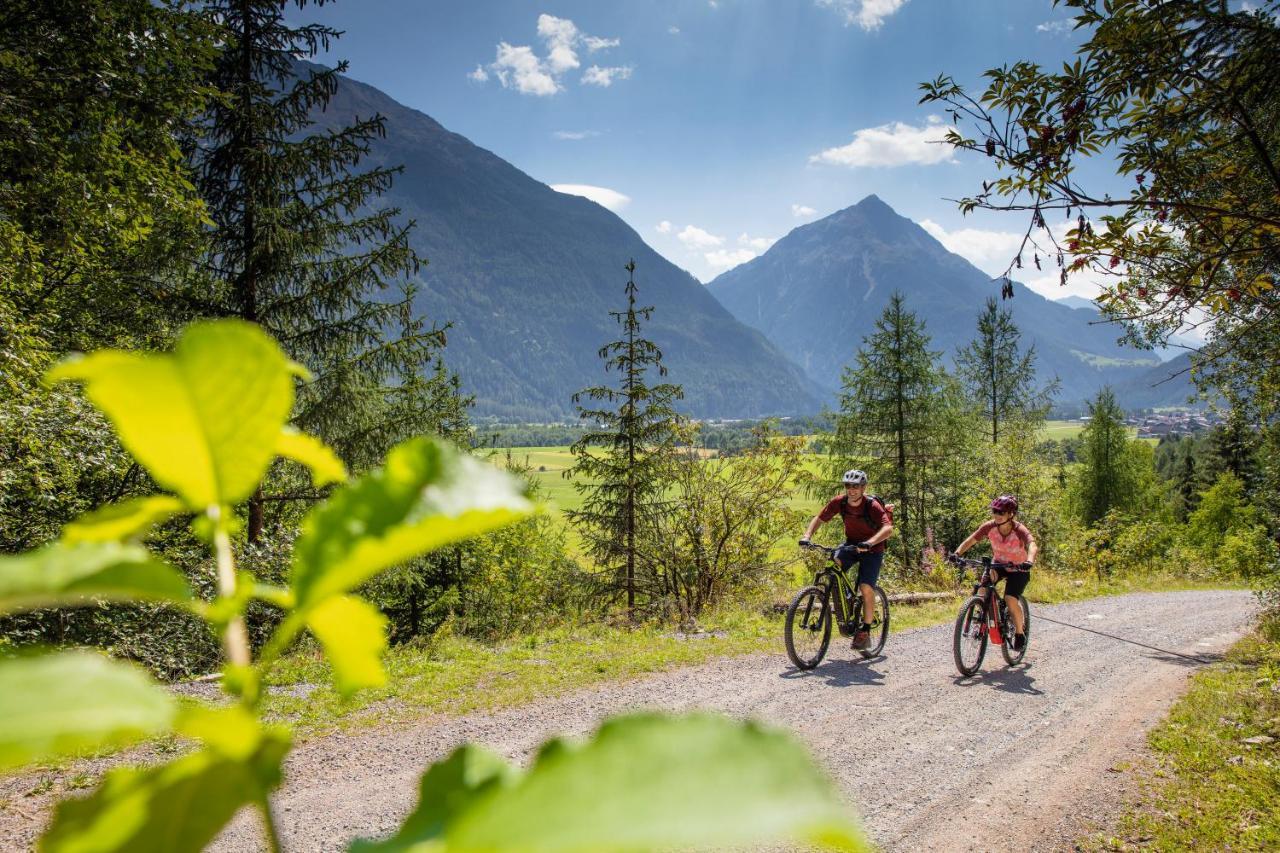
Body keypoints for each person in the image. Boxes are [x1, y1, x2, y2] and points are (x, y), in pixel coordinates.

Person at [799, 469, 894, 649]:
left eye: (856, 486)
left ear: (863, 487)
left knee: (866, 587)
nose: (852, 490)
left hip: (873, 548)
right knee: (833, 565)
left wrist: (869, 542)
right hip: (851, 545)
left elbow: (888, 529)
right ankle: (847, 599)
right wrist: (807, 536)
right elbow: (819, 518)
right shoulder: (840, 502)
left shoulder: (872, 506)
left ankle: (864, 631)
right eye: (848, 486)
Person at [951, 495, 1037, 651]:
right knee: (982, 590)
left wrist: (1029, 561)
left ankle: (1019, 633)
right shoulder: (989, 526)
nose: (996, 515)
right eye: (994, 511)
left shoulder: (1019, 529)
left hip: (1019, 569)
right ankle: (982, 614)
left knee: (1010, 599)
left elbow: (1032, 544)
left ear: (1011, 514)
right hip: (999, 565)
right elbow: (971, 540)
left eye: (1001, 512)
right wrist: (957, 554)